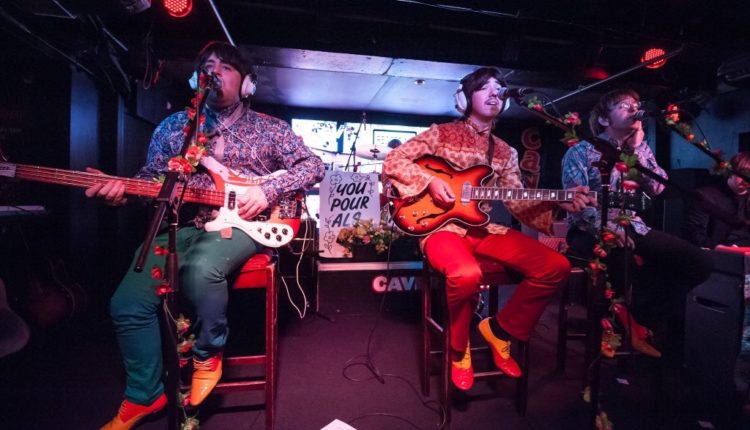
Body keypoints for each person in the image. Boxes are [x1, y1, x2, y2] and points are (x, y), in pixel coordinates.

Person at [87, 41, 324, 430]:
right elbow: (153, 182)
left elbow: (312, 165)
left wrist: (266, 191)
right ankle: (144, 396)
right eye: (208, 68)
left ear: (246, 83)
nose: (215, 74)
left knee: (201, 270)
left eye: (226, 68)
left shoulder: (270, 128)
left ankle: (207, 353)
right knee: (126, 303)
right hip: (181, 225)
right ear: (196, 79)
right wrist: (121, 192)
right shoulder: (175, 127)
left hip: (241, 225)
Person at [382, 67, 592, 391]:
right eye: (485, 88)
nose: (495, 94)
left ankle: (501, 330)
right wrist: (431, 180)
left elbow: (517, 201)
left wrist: (557, 202)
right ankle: (459, 346)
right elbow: (394, 161)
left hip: (484, 228)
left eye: (500, 89)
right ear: (465, 98)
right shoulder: (440, 134)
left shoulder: (506, 151)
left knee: (555, 266)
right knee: (466, 274)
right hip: (440, 230)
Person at [562, 89, 712, 358]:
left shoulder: (638, 149)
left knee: (698, 262)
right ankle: (609, 330)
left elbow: (656, 187)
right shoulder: (581, 152)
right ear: (605, 120)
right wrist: (609, 228)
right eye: (623, 106)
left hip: (633, 225)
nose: (634, 109)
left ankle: (638, 316)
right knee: (621, 257)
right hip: (587, 229)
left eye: (636, 104)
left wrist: (638, 148)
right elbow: (580, 203)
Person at [684, 151, 750, 248]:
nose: (747, 179)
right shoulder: (706, 196)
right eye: (745, 174)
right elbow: (695, 234)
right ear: (731, 171)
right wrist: (719, 247)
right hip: (718, 254)